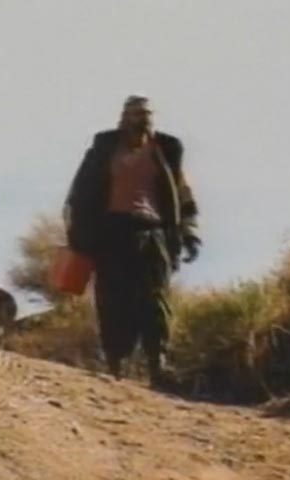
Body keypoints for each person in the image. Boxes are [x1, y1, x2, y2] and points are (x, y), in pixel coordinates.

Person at [62, 95, 201, 386]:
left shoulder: (165, 151)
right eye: (137, 114)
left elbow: (183, 195)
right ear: (124, 118)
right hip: (112, 232)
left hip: (153, 232)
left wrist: (189, 233)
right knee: (113, 299)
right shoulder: (104, 149)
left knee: (155, 299)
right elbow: (79, 194)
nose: (143, 119)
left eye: (148, 114)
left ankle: (157, 364)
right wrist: (77, 235)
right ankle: (116, 362)